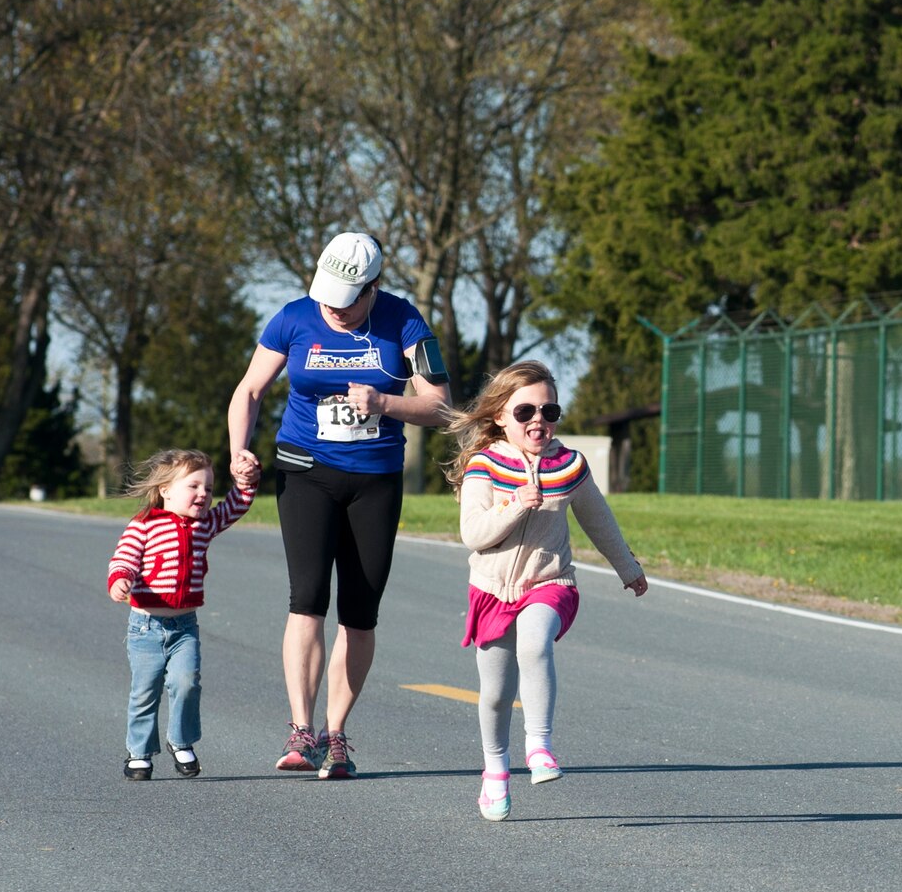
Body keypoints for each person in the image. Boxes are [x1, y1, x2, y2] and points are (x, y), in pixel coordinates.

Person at [227, 232, 452, 779]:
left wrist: (385, 402)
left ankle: (337, 735)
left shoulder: (406, 324)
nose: (334, 309)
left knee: (360, 610)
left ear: (373, 287)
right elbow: (250, 390)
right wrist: (238, 451)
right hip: (305, 471)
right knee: (306, 598)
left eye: (347, 299)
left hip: (374, 480)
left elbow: (441, 407)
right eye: (327, 298)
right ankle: (301, 732)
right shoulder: (293, 318)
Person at [445, 361, 648, 821]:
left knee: (536, 644)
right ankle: (495, 770)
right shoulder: (486, 464)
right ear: (500, 416)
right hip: (493, 589)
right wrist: (515, 504)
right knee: (495, 692)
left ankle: (539, 745)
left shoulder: (569, 464)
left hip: (549, 582)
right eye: (525, 411)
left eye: (548, 409)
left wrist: (627, 566)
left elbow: (598, 518)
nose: (538, 420)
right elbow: (474, 534)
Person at [107, 449, 260, 779]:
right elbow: (125, 558)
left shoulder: (205, 524)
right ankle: (139, 753)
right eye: (193, 486)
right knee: (145, 691)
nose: (203, 494)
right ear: (166, 490)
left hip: (185, 627)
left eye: (207, 487)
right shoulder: (144, 525)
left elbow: (236, 506)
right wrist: (120, 579)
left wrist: (246, 482)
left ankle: (182, 741)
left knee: (187, 683)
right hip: (145, 626)